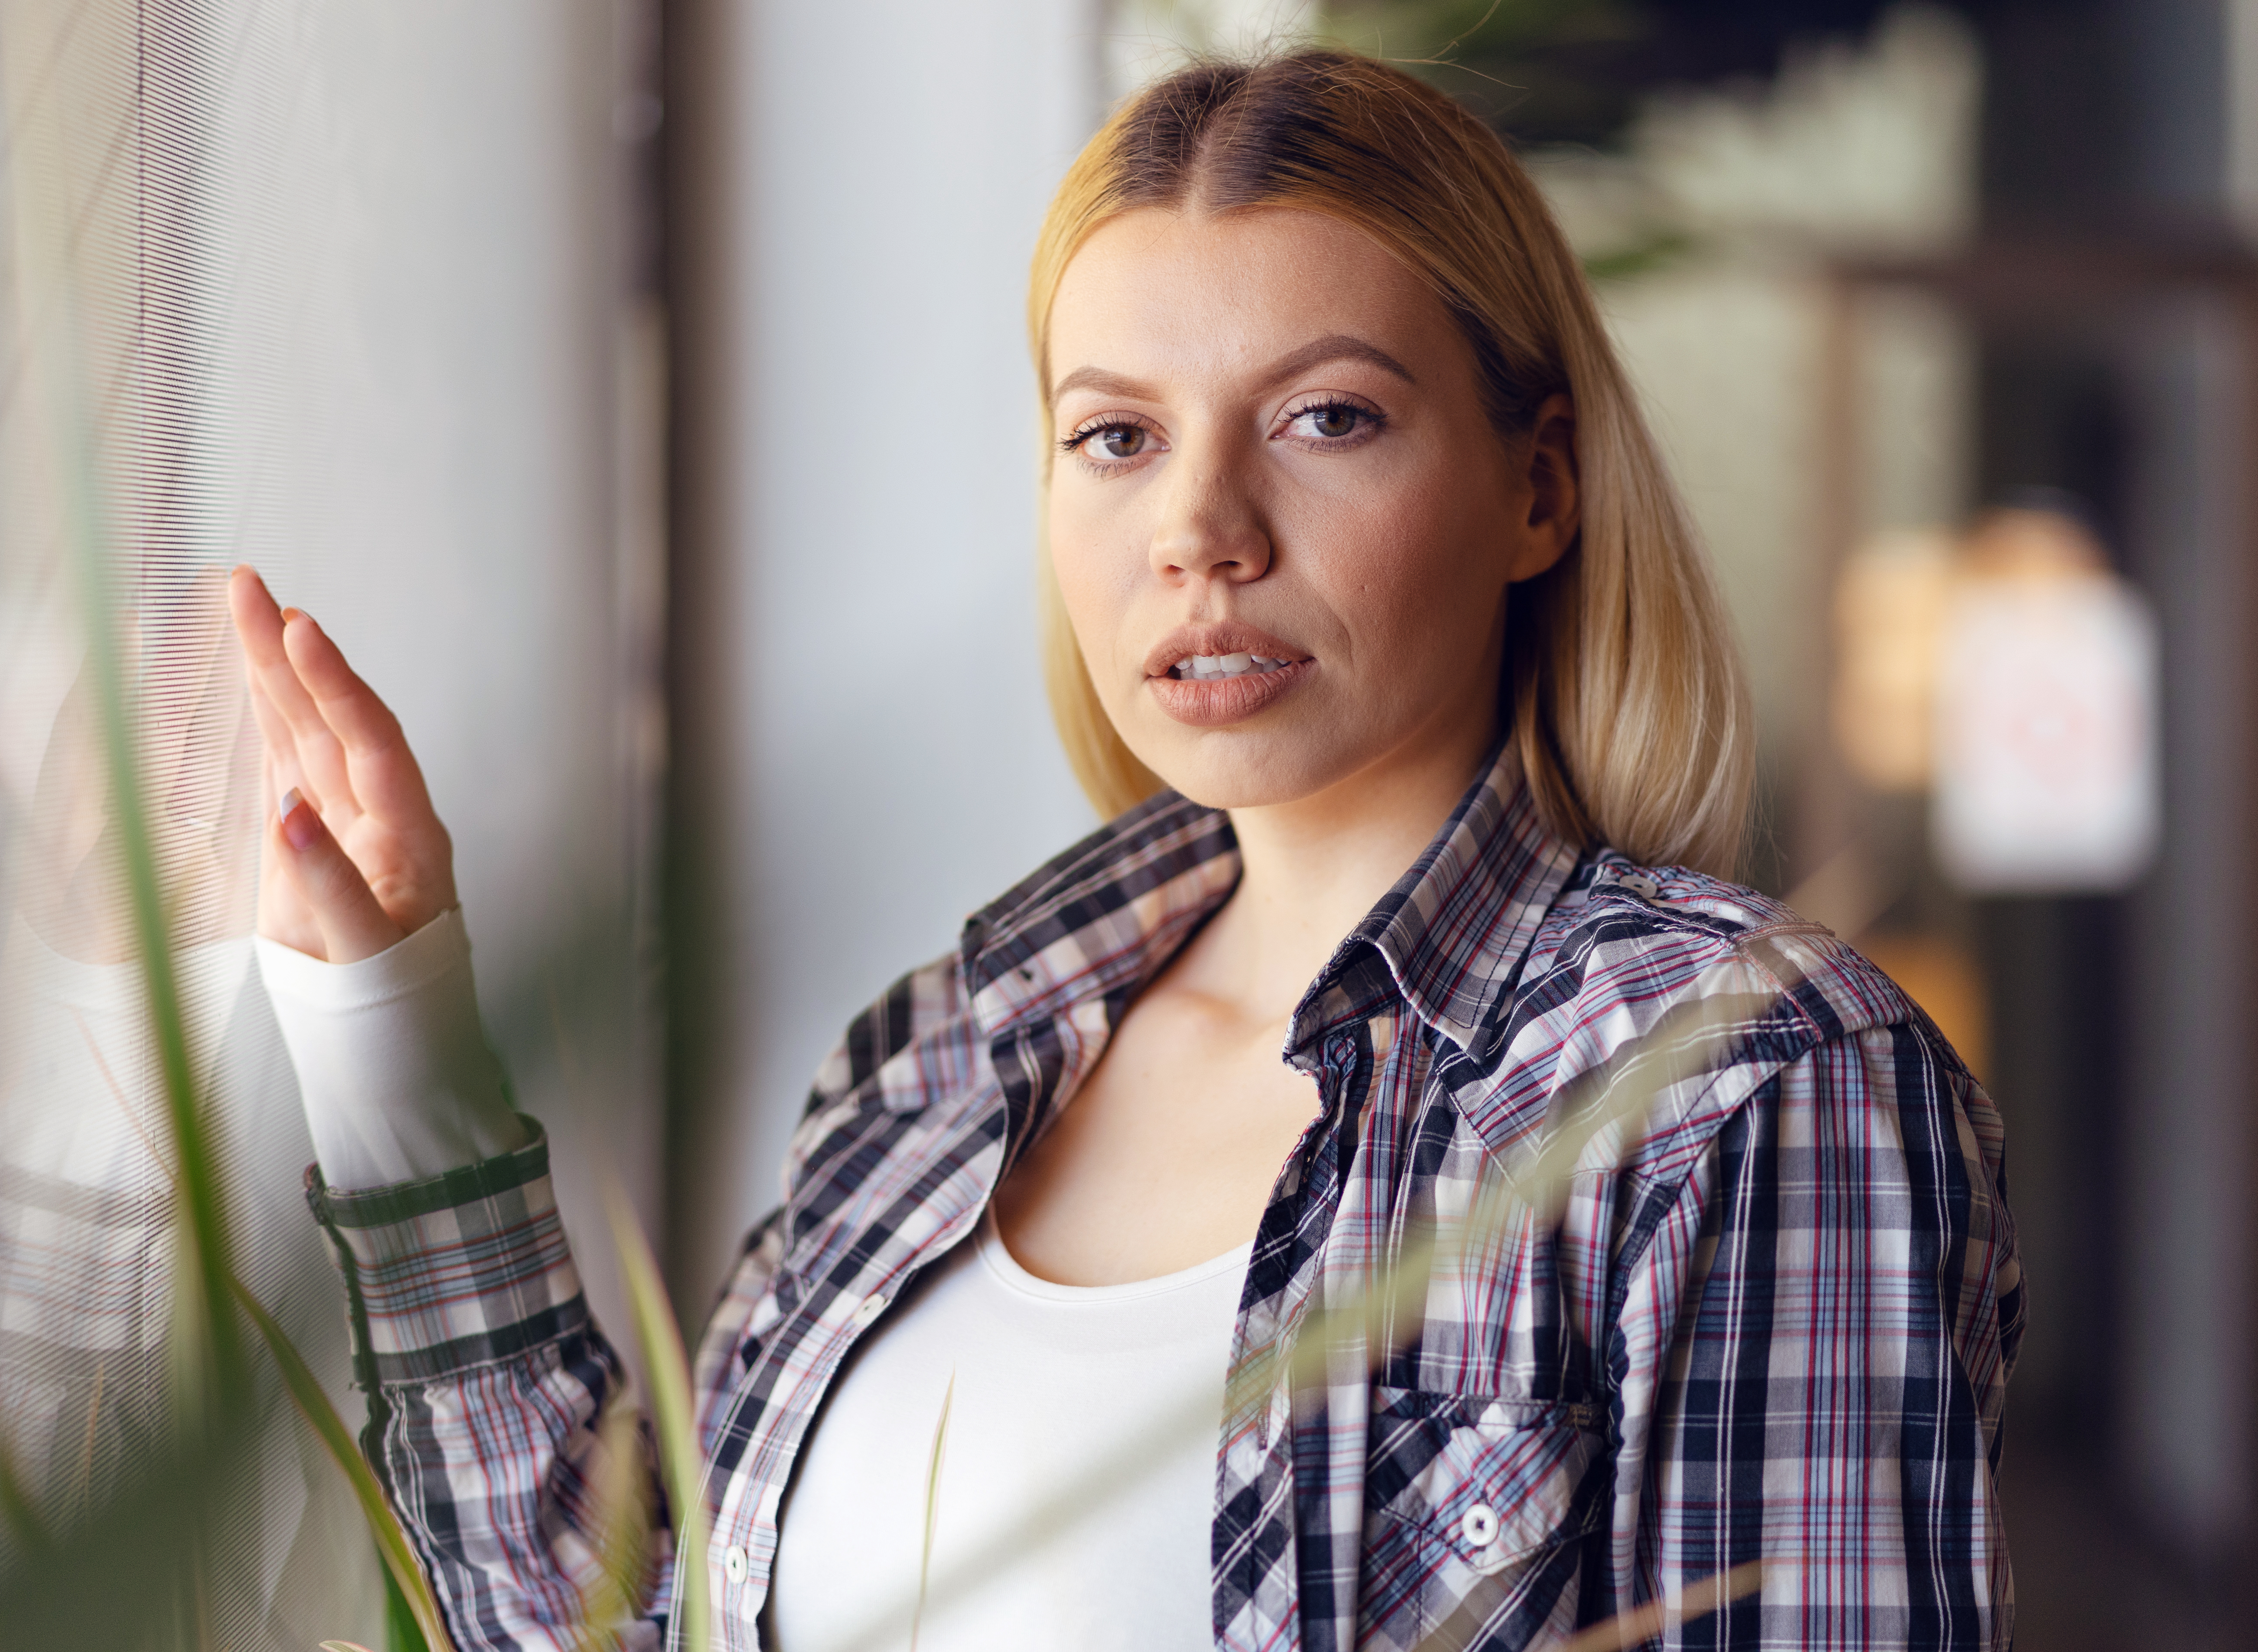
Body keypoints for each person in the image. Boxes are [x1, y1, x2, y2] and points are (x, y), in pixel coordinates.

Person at [231, 48, 2022, 1652]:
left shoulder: (1745, 1080)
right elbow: (620, 1619)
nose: (1200, 530)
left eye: (1329, 417)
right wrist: (394, 1013)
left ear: (1538, 486)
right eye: (1116, 435)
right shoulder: (946, 1048)